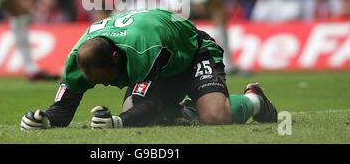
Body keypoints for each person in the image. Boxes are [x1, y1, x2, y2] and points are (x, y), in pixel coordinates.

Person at [20, 9, 277, 129]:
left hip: (193, 51)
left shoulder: (141, 51)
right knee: (136, 114)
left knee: (214, 117)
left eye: (107, 79)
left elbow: (148, 103)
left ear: (115, 58)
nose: (106, 84)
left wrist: (117, 123)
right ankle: (187, 110)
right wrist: (43, 120)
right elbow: (62, 111)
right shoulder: (78, 59)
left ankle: (254, 99)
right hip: (162, 58)